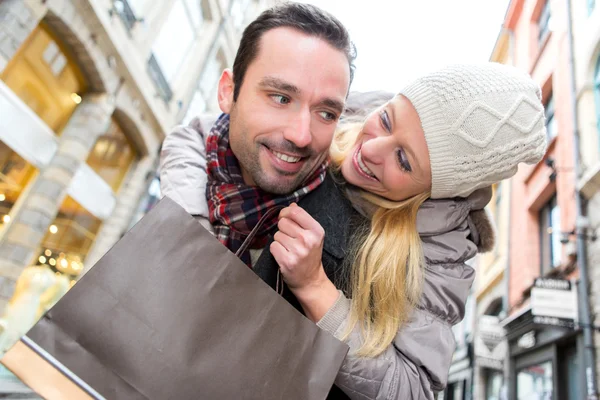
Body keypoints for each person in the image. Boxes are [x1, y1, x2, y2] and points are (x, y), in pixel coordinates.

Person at [160, 5, 546, 400]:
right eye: (387, 120)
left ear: (435, 190)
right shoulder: (337, 120)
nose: (372, 147)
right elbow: (201, 135)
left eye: (403, 160)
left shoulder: (437, 253)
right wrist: (192, 239)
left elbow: (413, 390)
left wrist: (315, 289)